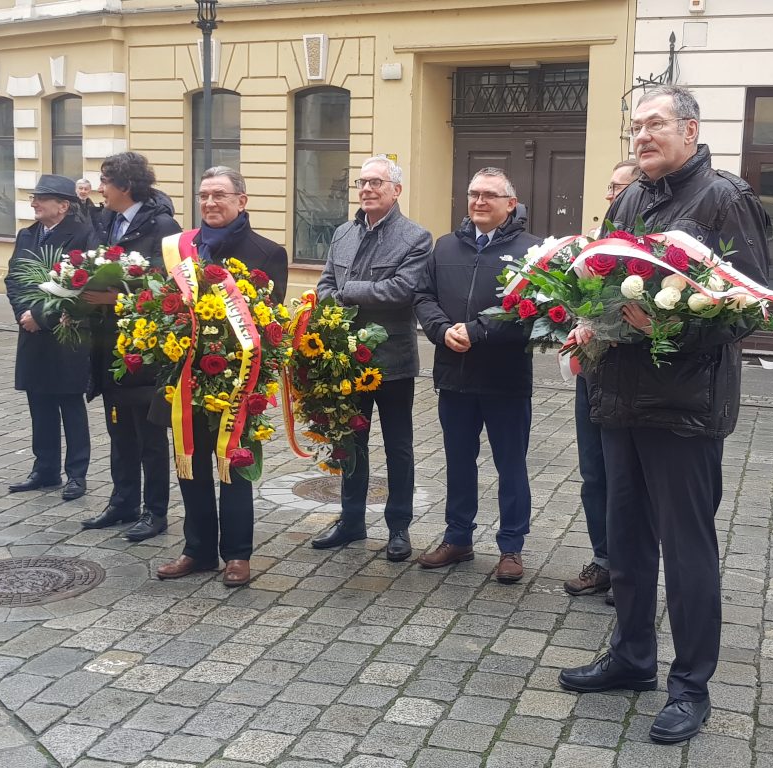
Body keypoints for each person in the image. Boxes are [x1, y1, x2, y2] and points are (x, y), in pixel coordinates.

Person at [557, 85, 770, 745]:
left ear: (689, 129)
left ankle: (690, 687)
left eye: (655, 124)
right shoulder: (629, 196)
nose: (642, 135)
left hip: (684, 409)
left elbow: (751, 307)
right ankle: (631, 658)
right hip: (618, 399)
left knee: (686, 552)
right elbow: (599, 281)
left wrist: (663, 328)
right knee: (626, 543)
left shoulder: (725, 198)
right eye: (636, 125)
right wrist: (589, 322)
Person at [157, 166, 288, 587]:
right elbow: (166, 308)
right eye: (203, 195)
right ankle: (197, 550)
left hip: (239, 380)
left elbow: (271, 323)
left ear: (241, 201)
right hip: (186, 376)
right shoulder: (179, 248)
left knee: (234, 465)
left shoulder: (268, 252)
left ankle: (237, 555)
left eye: (219, 195)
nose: (210, 203)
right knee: (189, 464)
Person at [413, 167, 541, 583]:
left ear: (510, 202)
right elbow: (423, 295)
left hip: (505, 379)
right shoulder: (445, 246)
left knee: (511, 465)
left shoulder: (532, 251)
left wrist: (477, 331)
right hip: (455, 376)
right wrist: (440, 330)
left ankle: (511, 547)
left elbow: (531, 312)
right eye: (473, 193)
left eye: (489, 194)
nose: (479, 201)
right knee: (458, 463)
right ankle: (458, 537)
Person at [311, 155, 433, 562]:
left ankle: (399, 527)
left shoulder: (416, 237)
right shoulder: (343, 232)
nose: (366, 189)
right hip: (345, 361)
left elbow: (401, 290)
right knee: (350, 442)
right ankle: (350, 521)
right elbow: (325, 283)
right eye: (362, 183)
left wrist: (347, 293)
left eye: (376, 183)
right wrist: (342, 292)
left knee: (399, 446)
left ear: (396, 190)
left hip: (392, 360)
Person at [79, 152, 181, 542]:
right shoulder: (106, 221)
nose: (100, 188)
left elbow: (167, 286)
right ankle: (122, 501)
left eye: (106, 181)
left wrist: (114, 300)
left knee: (149, 436)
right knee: (119, 428)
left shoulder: (162, 224)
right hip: (108, 345)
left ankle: (154, 512)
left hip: (146, 350)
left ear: (125, 185)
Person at [564, 159, 640, 602]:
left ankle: (631, 568)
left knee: (627, 478)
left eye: (621, 189)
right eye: (610, 188)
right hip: (592, 372)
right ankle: (604, 560)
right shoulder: (593, 247)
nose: (612, 197)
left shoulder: (645, 252)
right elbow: (580, 302)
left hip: (631, 378)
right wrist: (578, 324)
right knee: (593, 474)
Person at [4, 175, 94, 501]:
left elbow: (79, 287)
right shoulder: (27, 235)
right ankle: (45, 469)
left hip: (65, 332)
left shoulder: (83, 235)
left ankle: (76, 474)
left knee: (69, 402)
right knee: (38, 401)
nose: (34, 203)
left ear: (63, 205)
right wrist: (23, 314)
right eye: (34, 197)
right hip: (30, 331)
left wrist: (41, 317)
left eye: (41, 198)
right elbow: (13, 278)